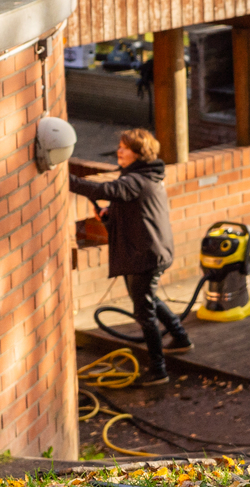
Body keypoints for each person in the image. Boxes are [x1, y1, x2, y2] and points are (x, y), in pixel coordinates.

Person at [68, 128, 189, 385]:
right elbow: (131, 209)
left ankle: (158, 370)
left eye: (124, 147)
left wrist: (66, 181)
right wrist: (108, 215)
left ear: (138, 153)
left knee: (144, 313)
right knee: (147, 299)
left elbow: (107, 190)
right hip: (148, 251)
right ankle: (180, 337)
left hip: (145, 254)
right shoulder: (143, 177)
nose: (119, 151)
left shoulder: (136, 180)